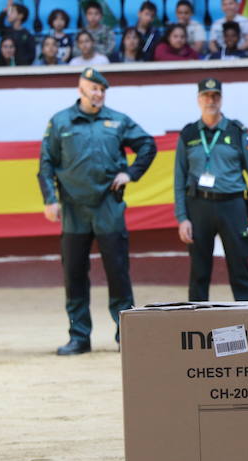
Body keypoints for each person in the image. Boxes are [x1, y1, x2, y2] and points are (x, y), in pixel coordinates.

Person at [38, 68, 157, 355]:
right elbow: (46, 163)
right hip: (73, 209)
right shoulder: (61, 121)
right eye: (94, 88)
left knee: (118, 273)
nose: (99, 94)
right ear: (81, 89)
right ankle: (79, 336)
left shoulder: (117, 120)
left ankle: (124, 335)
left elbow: (147, 145)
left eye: (102, 90)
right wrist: (50, 199)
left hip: (108, 206)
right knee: (75, 274)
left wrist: (130, 174)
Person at [174, 78, 248, 302]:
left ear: (221, 99)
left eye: (215, 96)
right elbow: (179, 180)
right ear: (198, 100)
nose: (211, 100)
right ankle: (196, 326)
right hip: (199, 207)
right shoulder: (188, 134)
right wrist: (182, 218)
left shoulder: (237, 131)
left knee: (240, 269)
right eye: (206, 96)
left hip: (233, 206)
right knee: (199, 272)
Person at [0, 0, 36, 65]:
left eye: (12, 11)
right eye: (9, 11)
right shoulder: (6, 31)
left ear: (20, 16)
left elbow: (31, 55)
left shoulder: (27, 35)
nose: (8, 14)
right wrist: (6, 10)